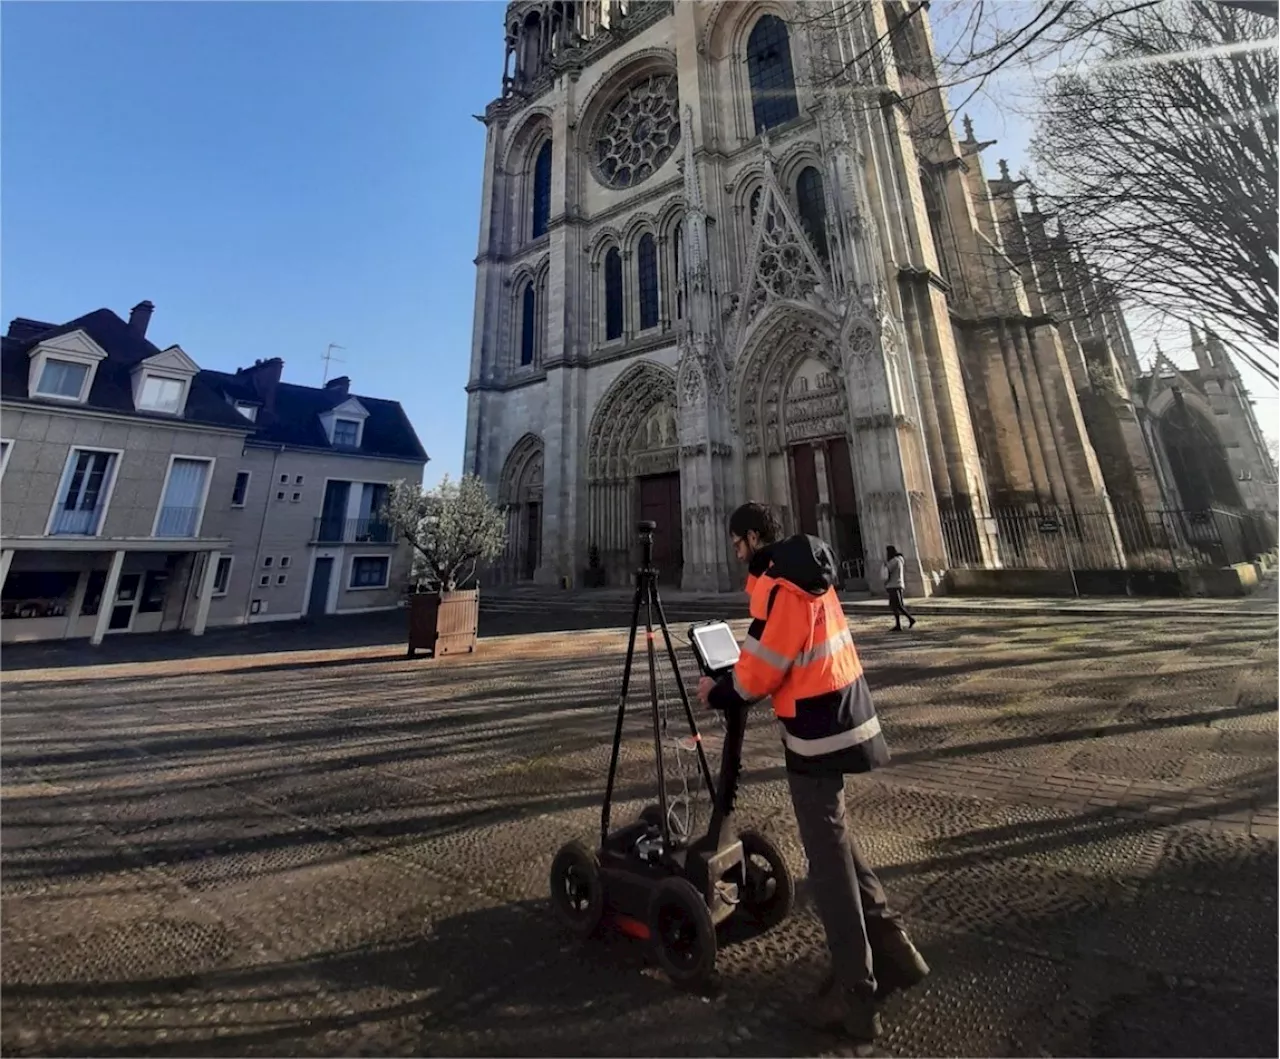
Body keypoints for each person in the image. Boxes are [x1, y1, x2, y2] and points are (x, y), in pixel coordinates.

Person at [696, 503, 929, 1046]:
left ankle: (856, 994)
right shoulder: (809, 577)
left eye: (737, 545)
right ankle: (894, 948)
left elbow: (759, 672)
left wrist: (721, 690)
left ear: (753, 538)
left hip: (819, 733)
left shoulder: (781, 588)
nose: (736, 556)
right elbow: (774, 651)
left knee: (827, 867)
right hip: (844, 716)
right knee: (838, 841)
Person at [882, 546, 916, 632]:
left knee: (897, 605)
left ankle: (908, 620)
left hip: (893, 585)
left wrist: (884, 563)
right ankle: (901, 623)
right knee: (896, 605)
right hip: (898, 584)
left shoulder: (894, 561)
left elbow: (887, 569)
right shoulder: (900, 560)